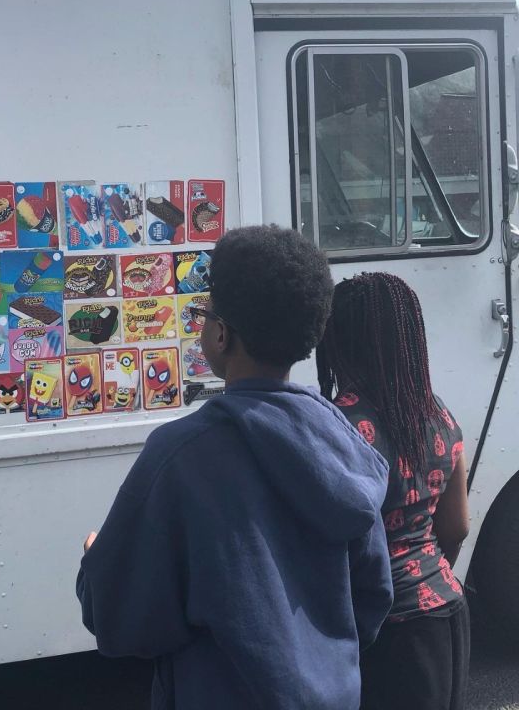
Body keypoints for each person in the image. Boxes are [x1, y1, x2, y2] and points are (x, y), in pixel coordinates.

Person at [76, 225, 392, 710]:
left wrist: (96, 559)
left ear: (221, 335)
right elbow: (373, 597)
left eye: (204, 315)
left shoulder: (180, 455)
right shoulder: (342, 441)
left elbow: (121, 620)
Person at [315, 271, 470, 710]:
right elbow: (457, 527)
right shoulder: (436, 412)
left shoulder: (338, 422)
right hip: (447, 612)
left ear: (338, 342)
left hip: (385, 626)